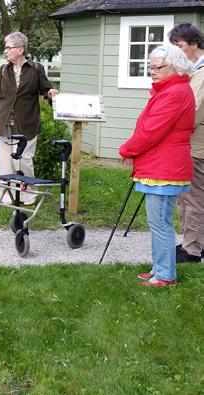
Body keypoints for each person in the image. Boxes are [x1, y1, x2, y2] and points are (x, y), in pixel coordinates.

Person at [119, 44, 195, 287]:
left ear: (174, 66)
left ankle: (165, 275)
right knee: (158, 221)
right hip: (161, 164)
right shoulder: (170, 90)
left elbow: (152, 131)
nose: (152, 71)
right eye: (149, 67)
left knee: (160, 222)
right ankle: (159, 267)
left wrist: (127, 149)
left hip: (165, 167)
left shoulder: (174, 93)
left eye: (157, 67)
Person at [0, 32, 58, 205]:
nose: (5, 51)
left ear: (20, 49)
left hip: (27, 122)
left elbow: (45, 90)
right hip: (4, 122)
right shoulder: (3, 70)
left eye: (8, 47)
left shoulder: (36, 69)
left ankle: (28, 195)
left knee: (24, 159)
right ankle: (6, 195)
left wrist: (50, 93)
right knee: (5, 161)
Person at [169, 23, 204, 263]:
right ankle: (194, 243)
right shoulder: (194, 69)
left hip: (196, 144)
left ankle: (191, 249)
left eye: (180, 45)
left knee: (191, 198)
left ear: (194, 43)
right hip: (192, 142)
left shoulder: (201, 73)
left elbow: (193, 111)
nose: (178, 51)